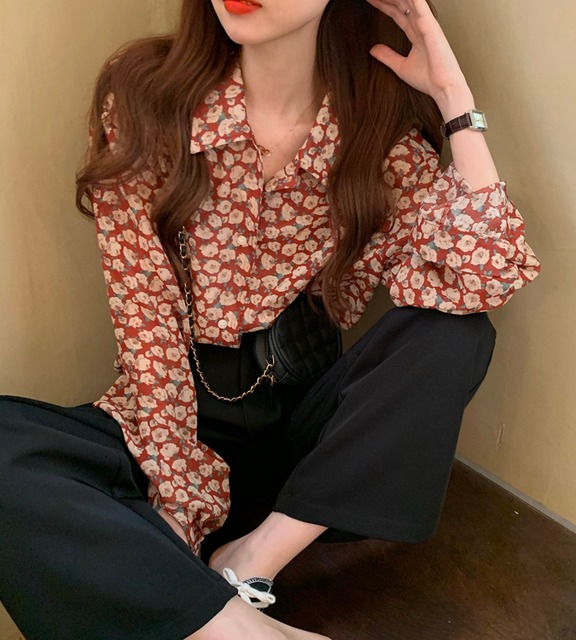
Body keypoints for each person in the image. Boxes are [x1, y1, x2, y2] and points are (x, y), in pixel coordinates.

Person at [0, 0, 541, 638]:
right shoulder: (146, 96)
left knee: (456, 331)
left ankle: (253, 562)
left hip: (309, 465)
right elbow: (145, 322)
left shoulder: (375, 135)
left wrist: (455, 100)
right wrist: (178, 506)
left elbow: (483, 279)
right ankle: (243, 628)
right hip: (172, 428)